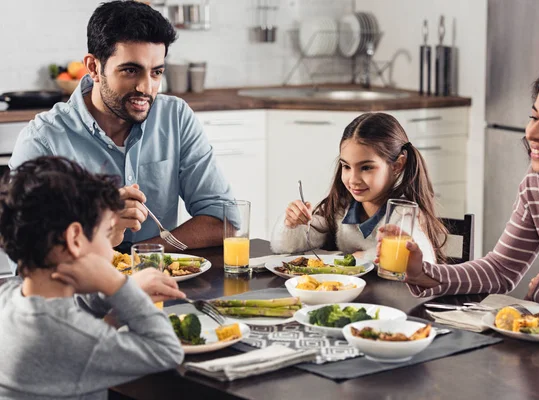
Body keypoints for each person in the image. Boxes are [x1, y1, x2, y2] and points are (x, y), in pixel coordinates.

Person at [9, 0, 234, 257]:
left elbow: (224, 221)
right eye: (130, 70)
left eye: (156, 72)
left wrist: (143, 255)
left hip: (160, 284)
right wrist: (102, 232)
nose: (146, 87)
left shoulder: (176, 117)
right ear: (94, 67)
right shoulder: (43, 139)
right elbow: (24, 249)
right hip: (77, 291)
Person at [397, 58, 539, 310]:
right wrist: (422, 272)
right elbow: (501, 269)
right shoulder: (538, 183)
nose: (532, 133)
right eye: (534, 117)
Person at [0, 156, 185, 399]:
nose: (112, 250)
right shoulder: (76, 339)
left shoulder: (8, 298)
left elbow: (65, 312)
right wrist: (117, 284)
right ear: (75, 239)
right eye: (107, 233)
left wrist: (103, 295)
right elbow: (167, 350)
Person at [270, 112, 448, 263]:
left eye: (366, 168)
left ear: (397, 165)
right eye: (346, 167)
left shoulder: (404, 215)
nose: (353, 179)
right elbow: (288, 246)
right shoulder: (342, 209)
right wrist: (292, 224)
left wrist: (361, 258)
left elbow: (422, 262)